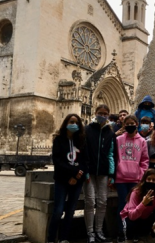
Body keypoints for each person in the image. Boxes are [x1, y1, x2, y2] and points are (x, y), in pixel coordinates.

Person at [47, 114, 87, 243]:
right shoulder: (58, 140)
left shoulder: (81, 141)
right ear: (66, 123)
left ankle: (64, 238)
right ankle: (51, 239)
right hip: (62, 180)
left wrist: (77, 176)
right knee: (58, 211)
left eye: (76, 122)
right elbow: (58, 162)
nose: (74, 124)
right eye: (71, 121)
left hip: (77, 180)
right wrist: (73, 173)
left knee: (70, 211)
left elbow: (85, 161)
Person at [115, 114, 149, 243]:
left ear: (137, 124)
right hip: (121, 179)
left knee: (135, 206)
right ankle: (121, 232)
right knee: (122, 206)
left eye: (132, 123)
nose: (130, 126)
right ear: (124, 125)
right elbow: (116, 157)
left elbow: (145, 160)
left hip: (135, 179)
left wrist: (140, 176)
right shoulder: (118, 140)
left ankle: (132, 232)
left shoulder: (142, 141)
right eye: (127, 124)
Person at [84, 104, 115, 243]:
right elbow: (83, 152)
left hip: (103, 172)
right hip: (89, 172)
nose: (102, 115)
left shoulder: (110, 132)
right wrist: (84, 170)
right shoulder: (87, 130)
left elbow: (111, 154)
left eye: (105, 113)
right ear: (95, 113)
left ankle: (99, 230)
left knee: (102, 202)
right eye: (100, 113)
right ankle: (90, 232)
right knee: (90, 201)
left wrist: (112, 174)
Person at [120, 169, 155, 242]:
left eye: (154, 180)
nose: (151, 182)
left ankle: (151, 237)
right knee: (129, 226)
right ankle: (130, 238)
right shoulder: (136, 191)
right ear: (144, 180)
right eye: (149, 179)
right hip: (132, 218)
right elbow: (131, 216)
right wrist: (143, 204)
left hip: (147, 217)